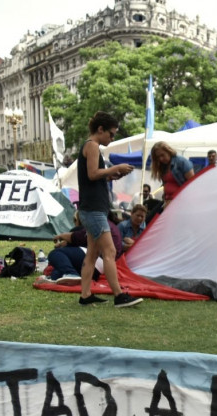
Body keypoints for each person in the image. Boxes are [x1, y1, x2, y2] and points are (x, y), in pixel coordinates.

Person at [77, 111, 142, 308]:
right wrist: (114, 169)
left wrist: (111, 176)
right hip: (94, 209)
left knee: (92, 253)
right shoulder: (93, 146)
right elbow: (92, 173)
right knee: (110, 250)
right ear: (100, 130)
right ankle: (119, 295)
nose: (112, 138)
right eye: (111, 134)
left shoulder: (90, 146)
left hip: (91, 208)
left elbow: (94, 177)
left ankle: (85, 295)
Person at [47, 212, 124, 286]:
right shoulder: (110, 225)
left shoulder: (99, 222)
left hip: (98, 261)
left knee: (55, 253)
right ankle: (57, 278)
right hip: (102, 266)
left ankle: (72, 274)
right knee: (62, 265)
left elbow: (79, 237)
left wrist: (62, 236)